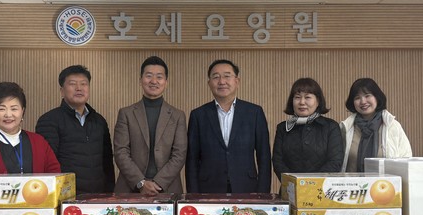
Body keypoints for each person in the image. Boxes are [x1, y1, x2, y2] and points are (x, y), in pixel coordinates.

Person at [186, 59, 271, 193]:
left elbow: (264, 156)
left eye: (227, 76)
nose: (222, 81)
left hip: (246, 187)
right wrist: (193, 195)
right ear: (209, 83)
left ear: (237, 81)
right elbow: (192, 160)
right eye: (216, 77)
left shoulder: (254, 112)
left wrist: (263, 193)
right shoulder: (198, 115)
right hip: (208, 188)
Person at [113, 56, 187, 195]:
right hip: (131, 189)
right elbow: (121, 151)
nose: (153, 81)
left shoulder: (178, 115)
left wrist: (159, 183)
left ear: (166, 82)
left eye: (159, 77)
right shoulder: (126, 113)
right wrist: (140, 183)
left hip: (167, 189)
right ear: (140, 80)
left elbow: (179, 154)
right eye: (148, 76)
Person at [36, 65, 115, 194]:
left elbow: (107, 163)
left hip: (98, 196)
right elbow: (47, 164)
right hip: (65, 195)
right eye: (72, 84)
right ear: (62, 91)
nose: (79, 88)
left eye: (84, 84)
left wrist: (109, 193)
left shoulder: (99, 121)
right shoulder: (49, 120)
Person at [0, 81, 60, 174]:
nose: (8, 114)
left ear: (22, 111)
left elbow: (55, 175)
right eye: (2, 109)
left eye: (14, 109)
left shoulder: (39, 142)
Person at [272, 78, 343, 179]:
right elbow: (278, 161)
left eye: (307, 97)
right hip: (291, 186)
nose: (302, 102)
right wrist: (293, 182)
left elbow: (335, 161)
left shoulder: (331, 127)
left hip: (322, 187)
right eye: (297, 97)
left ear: (318, 101)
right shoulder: (283, 128)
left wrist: (311, 183)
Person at [340, 77, 412, 172]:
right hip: (351, 181)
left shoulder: (392, 126)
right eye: (357, 98)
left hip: (385, 181)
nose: (363, 101)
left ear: (377, 97)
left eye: (367, 96)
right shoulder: (346, 127)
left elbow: (406, 159)